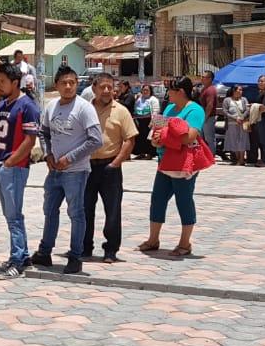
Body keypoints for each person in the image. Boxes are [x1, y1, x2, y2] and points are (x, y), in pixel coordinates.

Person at [31, 65, 103, 275]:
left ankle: (75, 255)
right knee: (50, 210)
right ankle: (45, 252)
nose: (69, 86)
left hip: (76, 171)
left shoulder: (84, 108)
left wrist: (70, 158)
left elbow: (96, 140)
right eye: (64, 82)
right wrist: (47, 154)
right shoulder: (51, 106)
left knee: (76, 213)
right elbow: (43, 132)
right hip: (54, 171)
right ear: (57, 85)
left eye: (72, 82)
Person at [138, 76, 207, 258]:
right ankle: (153, 239)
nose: (167, 94)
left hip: (183, 164)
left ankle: (185, 242)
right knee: (157, 199)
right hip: (164, 161)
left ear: (181, 92)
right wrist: (155, 139)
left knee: (183, 201)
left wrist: (165, 137)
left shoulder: (195, 110)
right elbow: (157, 132)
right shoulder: (169, 108)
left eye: (170, 90)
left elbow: (190, 137)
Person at [0, 62, 39, 280]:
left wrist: (10, 162)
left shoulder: (27, 106)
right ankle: (22, 255)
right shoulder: (4, 103)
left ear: (15, 83)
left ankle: (17, 261)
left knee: (14, 216)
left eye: (3, 82)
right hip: (1, 165)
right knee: (10, 215)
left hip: (14, 167)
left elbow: (30, 141)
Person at [81, 73, 137, 264]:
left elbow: (130, 139)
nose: (106, 91)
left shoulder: (121, 111)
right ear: (94, 88)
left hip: (110, 166)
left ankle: (111, 250)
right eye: (102, 87)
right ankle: (84, 247)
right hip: (87, 167)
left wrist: (116, 163)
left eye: (110, 87)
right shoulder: (85, 109)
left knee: (112, 210)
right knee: (85, 209)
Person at [247, 75, 265, 168]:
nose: (260, 83)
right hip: (259, 119)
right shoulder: (261, 93)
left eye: (262, 81)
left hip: (263, 119)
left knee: (264, 141)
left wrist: (254, 106)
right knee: (258, 140)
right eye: (259, 81)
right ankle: (262, 159)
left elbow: (264, 108)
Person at [222, 83, 250, 167]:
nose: (241, 91)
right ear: (234, 90)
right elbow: (225, 111)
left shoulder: (244, 99)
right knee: (234, 141)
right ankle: (237, 158)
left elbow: (247, 109)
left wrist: (242, 117)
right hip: (232, 123)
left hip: (242, 123)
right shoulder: (227, 100)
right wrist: (235, 118)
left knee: (242, 140)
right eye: (239, 89)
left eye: (241, 90)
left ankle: (242, 159)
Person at [130, 83, 159, 160]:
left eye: (147, 90)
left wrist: (152, 122)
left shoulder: (153, 99)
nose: (145, 91)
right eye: (144, 90)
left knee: (148, 138)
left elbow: (155, 111)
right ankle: (141, 153)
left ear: (150, 91)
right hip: (139, 121)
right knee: (140, 138)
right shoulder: (139, 99)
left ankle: (150, 154)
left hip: (149, 121)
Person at [198, 70, 219, 152]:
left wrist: (205, 117)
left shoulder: (210, 90)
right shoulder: (204, 89)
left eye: (204, 77)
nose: (201, 78)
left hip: (208, 117)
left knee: (209, 138)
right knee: (202, 138)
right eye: (201, 77)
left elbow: (210, 105)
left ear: (210, 79)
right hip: (204, 117)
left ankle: (211, 155)